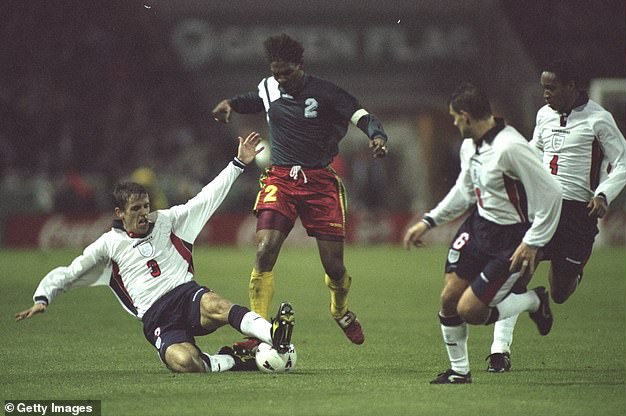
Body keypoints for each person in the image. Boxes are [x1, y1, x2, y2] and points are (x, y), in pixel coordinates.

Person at [15, 132, 296, 373]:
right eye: (135, 209)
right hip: (157, 317)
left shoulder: (169, 221)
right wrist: (43, 296)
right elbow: (69, 272)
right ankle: (235, 360)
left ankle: (274, 334)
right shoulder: (107, 246)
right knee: (187, 363)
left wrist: (237, 164)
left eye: (145, 206)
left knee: (215, 305)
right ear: (119, 213)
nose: (143, 213)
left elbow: (208, 196)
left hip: (187, 296)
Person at [211, 33, 388, 346]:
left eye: (286, 73)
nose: (280, 79)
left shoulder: (325, 91)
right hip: (280, 179)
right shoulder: (269, 86)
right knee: (265, 250)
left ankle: (340, 310)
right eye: (275, 72)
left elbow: (358, 114)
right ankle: (258, 330)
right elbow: (255, 98)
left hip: (320, 183)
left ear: (300, 66)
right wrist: (230, 104)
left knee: (334, 266)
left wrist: (377, 135)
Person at [403, 82, 563, 384]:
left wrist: (533, 241)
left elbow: (552, 193)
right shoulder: (470, 145)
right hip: (478, 227)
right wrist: (429, 220)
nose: (452, 122)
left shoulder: (511, 148)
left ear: (465, 116)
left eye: (454, 117)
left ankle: (534, 301)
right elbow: (464, 191)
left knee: (471, 311)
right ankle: (459, 371)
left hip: (509, 239)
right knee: (449, 298)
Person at [486, 59, 626, 373]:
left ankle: (564, 279)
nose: (545, 94)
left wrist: (604, 193)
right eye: (543, 88)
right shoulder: (543, 116)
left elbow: (624, 162)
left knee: (561, 292)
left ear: (571, 87)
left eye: (551, 88)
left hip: (577, 215)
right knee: (517, 271)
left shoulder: (598, 120)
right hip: (541, 206)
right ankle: (499, 351)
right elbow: (535, 149)